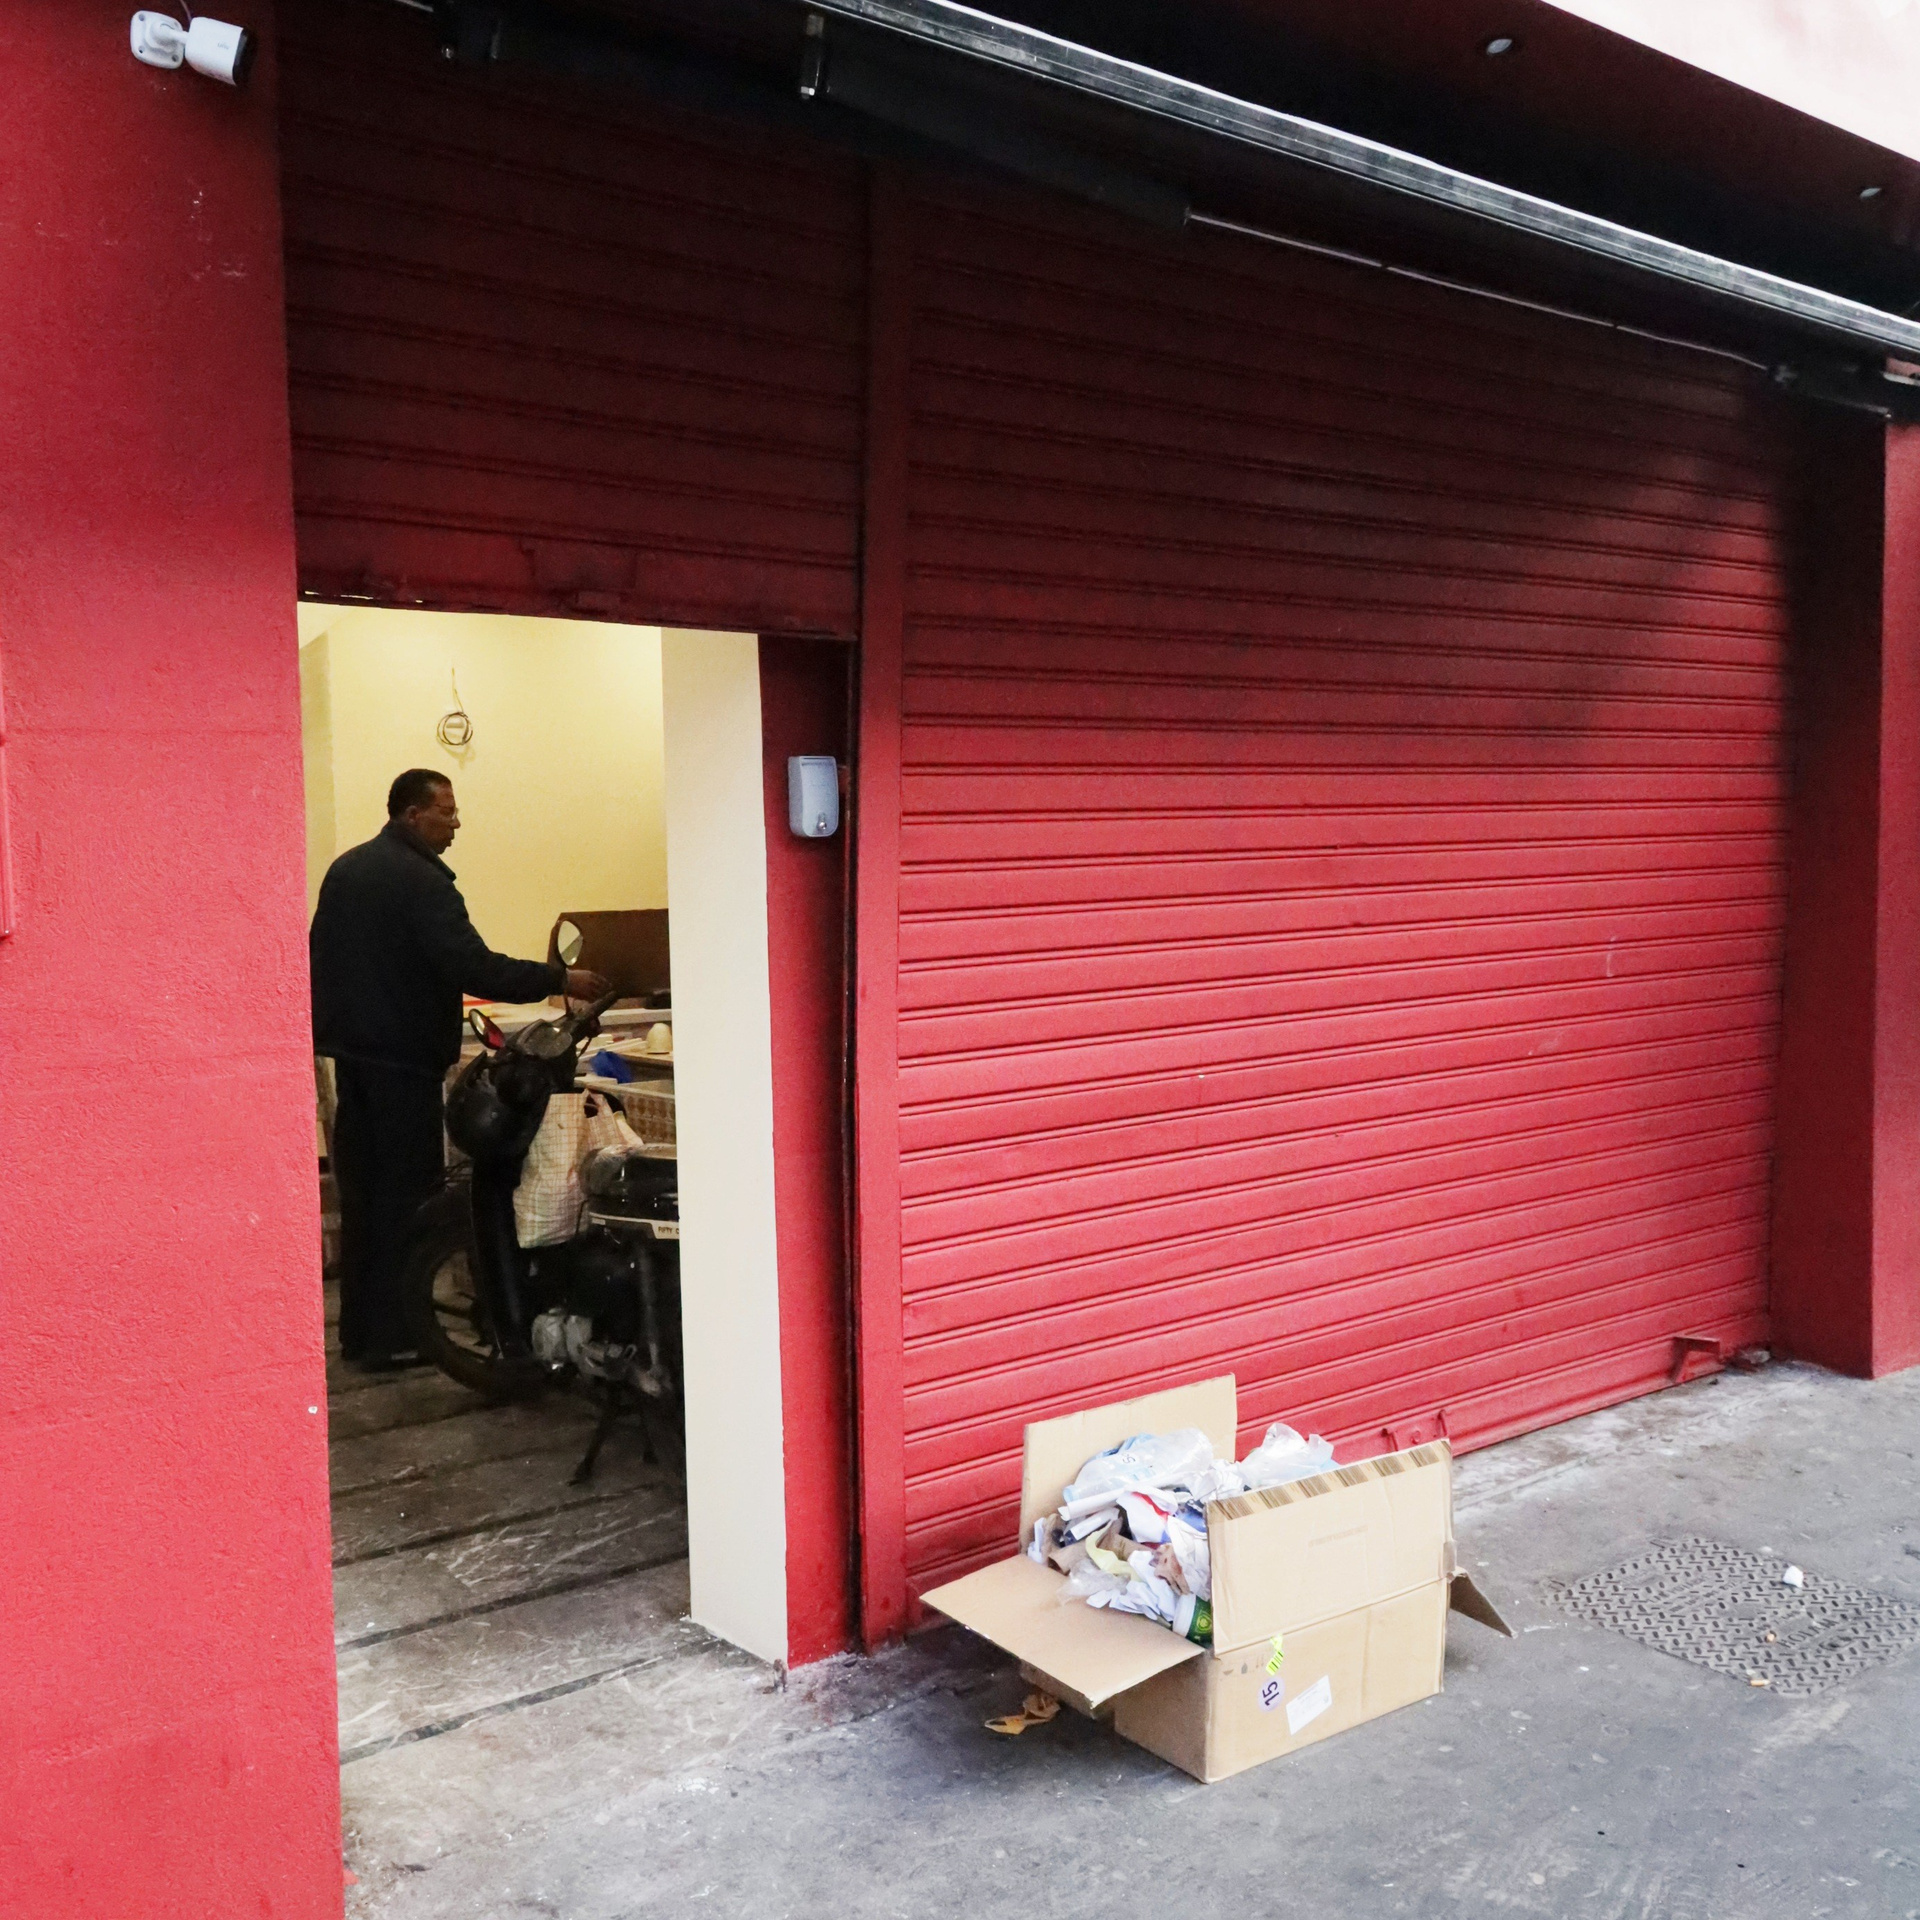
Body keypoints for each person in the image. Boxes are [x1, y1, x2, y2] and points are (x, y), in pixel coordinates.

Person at [310, 769, 609, 1371]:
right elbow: (473, 966)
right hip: (404, 1066)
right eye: (446, 811)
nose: (456, 823)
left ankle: (363, 1334)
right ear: (412, 814)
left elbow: (317, 960)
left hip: (355, 1062)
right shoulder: (422, 882)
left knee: (366, 1197)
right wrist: (560, 979)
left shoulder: (347, 870)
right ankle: (402, 1334)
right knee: (408, 1203)